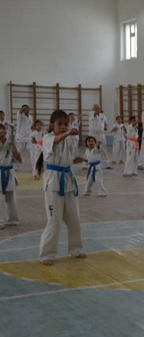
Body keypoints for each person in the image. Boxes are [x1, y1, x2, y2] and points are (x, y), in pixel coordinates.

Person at [37, 109, 86, 266]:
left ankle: (76, 249)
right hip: (53, 183)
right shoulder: (48, 138)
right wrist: (67, 133)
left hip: (68, 180)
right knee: (54, 221)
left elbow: (67, 157)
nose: (63, 126)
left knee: (74, 219)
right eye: (59, 124)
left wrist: (75, 159)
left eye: (66, 124)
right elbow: (56, 141)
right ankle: (47, 254)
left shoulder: (68, 139)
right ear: (52, 125)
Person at [0, 124, 21, 229]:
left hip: (9, 171)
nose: (2, 133)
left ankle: (12, 219)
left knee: (11, 196)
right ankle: (1, 220)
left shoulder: (9, 143)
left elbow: (18, 159)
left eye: (3, 131)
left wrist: (14, 146)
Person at [88, 104, 111, 169]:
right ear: (93, 109)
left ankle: (106, 164)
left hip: (101, 134)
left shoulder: (103, 116)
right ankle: (90, 163)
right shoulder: (90, 114)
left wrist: (105, 127)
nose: (96, 109)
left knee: (103, 148)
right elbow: (94, 114)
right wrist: (96, 112)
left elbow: (106, 123)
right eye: (95, 108)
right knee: (91, 148)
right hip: (93, 134)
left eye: (98, 108)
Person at [15, 104, 33, 170]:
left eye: (27, 108)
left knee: (32, 149)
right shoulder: (20, 115)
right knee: (18, 151)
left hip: (29, 136)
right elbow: (20, 112)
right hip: (21, 136)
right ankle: (15, 166)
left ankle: (34, 165)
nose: (26, 110)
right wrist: (23, 109)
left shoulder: (30, 116)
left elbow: (30, 125)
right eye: (24, 109)